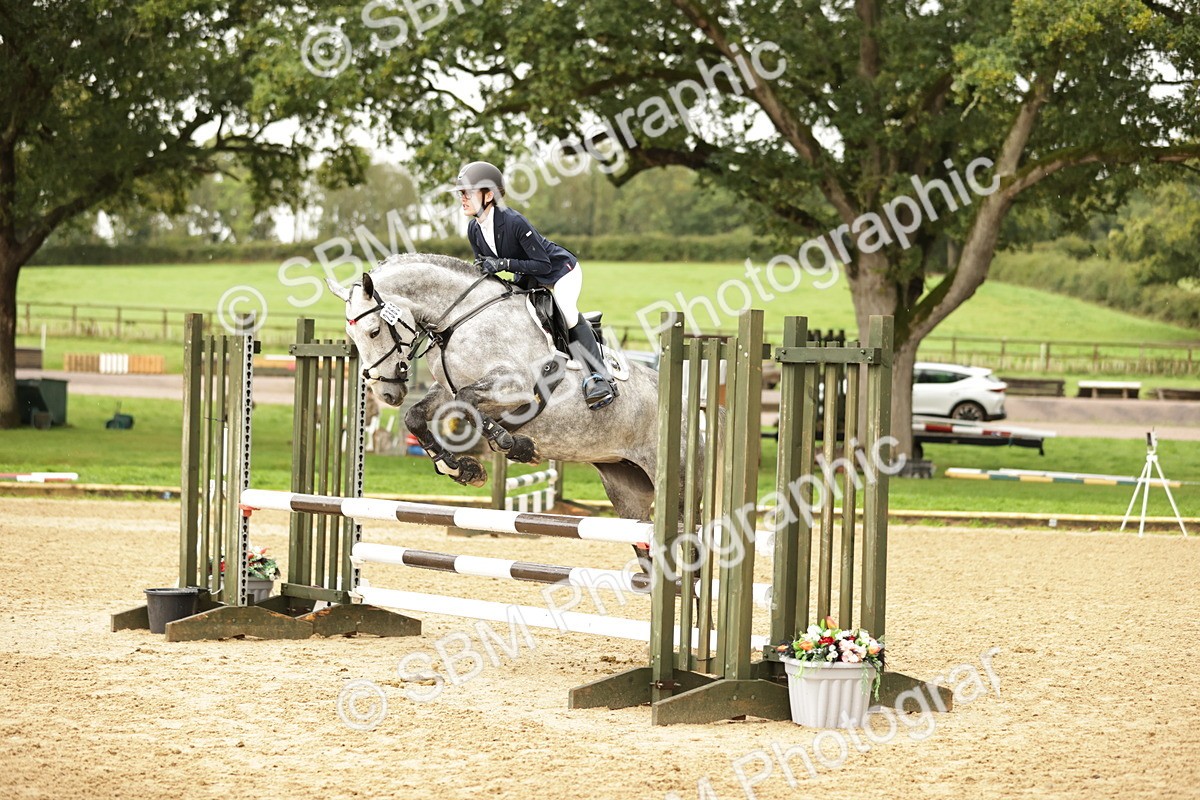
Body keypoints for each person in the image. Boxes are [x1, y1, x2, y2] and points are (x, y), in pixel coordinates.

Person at [454, 160, 618, 410]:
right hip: (529, 279)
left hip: (560, 272)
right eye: (461, 192)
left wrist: (503, 264)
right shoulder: (474, 230)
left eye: (468, 192)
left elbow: (541, 264)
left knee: (566, 311)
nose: (462, 197)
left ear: (489, 195)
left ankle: (598, 377)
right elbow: (485, 267)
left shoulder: (513, 221)